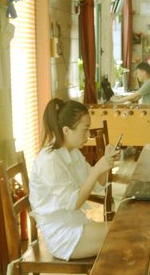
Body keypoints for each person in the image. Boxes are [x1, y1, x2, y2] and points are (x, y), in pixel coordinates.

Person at [29, 99, 120, 260]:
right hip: (61, 235)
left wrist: (106, 161)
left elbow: (99, 183)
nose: (89, 134)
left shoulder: (73, 152)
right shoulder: (49, 161)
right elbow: (74, 203)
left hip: (76, 223)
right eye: (85, 129)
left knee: (125, 234)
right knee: (123, 236)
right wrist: (98, 168)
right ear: (66, 130)